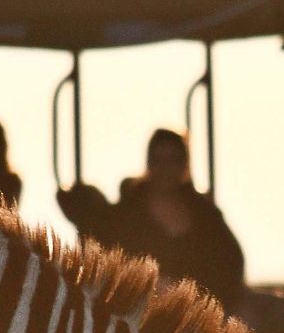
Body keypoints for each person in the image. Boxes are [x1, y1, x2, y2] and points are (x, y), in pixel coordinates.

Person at [57, 128, 245, 307]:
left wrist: (199, 295)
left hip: (205, 314)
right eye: (158, 160)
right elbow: (103, 262)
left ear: (184, 164)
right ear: (148, 163)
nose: (165, 168)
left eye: (172, 160)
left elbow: (232, 262)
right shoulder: (124, 217)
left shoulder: (205, 215)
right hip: (142, 314)